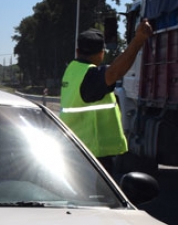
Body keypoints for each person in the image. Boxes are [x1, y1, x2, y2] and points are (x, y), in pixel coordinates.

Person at [59, 20, 152, 172]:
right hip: (92, 156)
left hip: (74, 150)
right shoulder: (90, 75)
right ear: (102, 53)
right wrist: (138, 40)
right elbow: (114, 72)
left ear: (77, 51)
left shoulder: (72, 71)